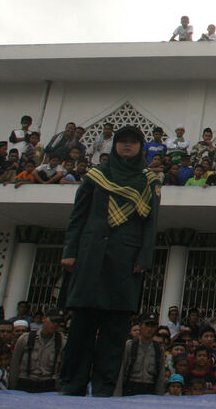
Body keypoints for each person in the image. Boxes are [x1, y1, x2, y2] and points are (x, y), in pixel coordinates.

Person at [58, 125, 162, 397]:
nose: (127, 146)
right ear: (114, 145)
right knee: (81, 326)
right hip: (91, 256)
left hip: (125, 261)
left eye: (133, 142)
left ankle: (105, 388)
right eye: (123, 142)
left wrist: (144, 258)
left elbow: (150, 224)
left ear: (141, 147)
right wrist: (70, 251)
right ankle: (72, 385)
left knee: (114, 332)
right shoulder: (97, 175)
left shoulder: (148, 180)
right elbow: (77, 217)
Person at [9, 307, 65, 393]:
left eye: (58, 323)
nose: (55, 325)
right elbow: (15, 364)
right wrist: (12, 388)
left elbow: (62, 369)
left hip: (48, 385)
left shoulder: (62, 342)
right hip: (25, 382)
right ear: (44, 319)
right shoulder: (25, 339)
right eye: (53, 321)